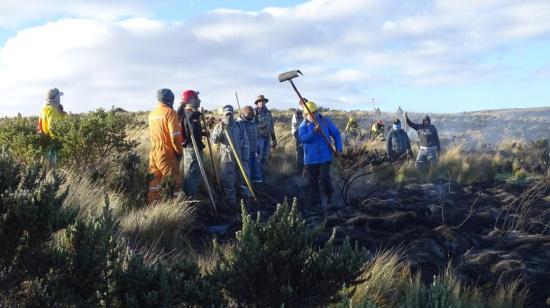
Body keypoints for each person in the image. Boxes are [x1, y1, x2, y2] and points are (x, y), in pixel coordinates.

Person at [298, 101, 342, 208]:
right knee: (312, 182)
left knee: (324, 178)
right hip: (310, 160)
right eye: (310, 113)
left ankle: (330, 196)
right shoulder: (303, 125)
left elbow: (336, 133)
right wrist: (313, 132)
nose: (313, 115)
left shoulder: (325, 121)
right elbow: (303, 139)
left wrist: (338, 148)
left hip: (324, 157)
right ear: (305, 114)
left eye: (314, 112)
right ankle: (316, 203)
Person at [147, 89, 184, 204]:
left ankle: (153, 207)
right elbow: (175, 136)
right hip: (166, 152)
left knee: (155, 182)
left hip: (153, 152)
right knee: (174, 181)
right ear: (171, 99)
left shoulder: (152, 114)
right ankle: (177, 209)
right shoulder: (170, 113)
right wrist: (179, 151)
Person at [211, 105, 250, 207]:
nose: (229, 116)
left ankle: (246, 200)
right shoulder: (219, 127)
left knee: (243, 178)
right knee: (229, 180)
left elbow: (246, 142)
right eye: (226, 114)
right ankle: (231, 202)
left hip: (240, 157)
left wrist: (245, 157)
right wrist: (221, 129)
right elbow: (214, 140)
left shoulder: (239, 126)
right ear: (223, 115)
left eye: (230, 114)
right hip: (227, 158)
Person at [177, 90, 206, 199]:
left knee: (195, 172)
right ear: (191, 100)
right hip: (192, 148)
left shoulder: (191, 113)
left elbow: (192, 132)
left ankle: (193, 196)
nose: (199, 100)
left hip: (193, 147)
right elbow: (191, 133)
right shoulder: (190, 114)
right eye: (197, 98)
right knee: (192, 173)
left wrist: (203, 133)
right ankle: (191, 199)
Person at [252, 94, 277, 183]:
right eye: (259, 102)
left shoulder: (268, 112)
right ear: (257, 103)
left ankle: (262, 175)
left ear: (265, 102)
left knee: (265, 157)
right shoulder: (254, 112)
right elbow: (252, 125)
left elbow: (271, 125)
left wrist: (274, 138)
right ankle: (257, 177)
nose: (261, 103)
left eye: (262, 101)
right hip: (259, 137)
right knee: (259, 156)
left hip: (268, 137)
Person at [237, 105, 257, 181]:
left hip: (253, 148)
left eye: (251, 114)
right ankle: (247, 182)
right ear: (243, 114)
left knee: (252, 165)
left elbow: (255, 135)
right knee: (246, 167)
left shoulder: (253, 122)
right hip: (245, 150)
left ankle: (253, 180)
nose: (250, 115)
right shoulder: (239, 123)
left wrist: (255, 148)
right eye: (248, 114)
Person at [291, 98, 306, 175]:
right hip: (299, 137)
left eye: (305, 103)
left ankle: (307, 173)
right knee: (300, 155)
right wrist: (300, 137)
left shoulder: (309, 112)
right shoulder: (297, 113)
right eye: (303, 104)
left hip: (309, 137)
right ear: (300, 104)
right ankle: (299, 173)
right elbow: (294, 127)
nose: (304, 105)